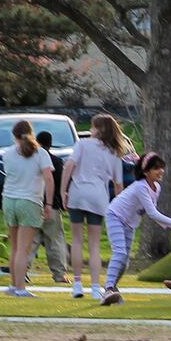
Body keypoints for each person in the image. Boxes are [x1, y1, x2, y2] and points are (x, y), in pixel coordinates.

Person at [101, 152, 171, 306]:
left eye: (161, 168)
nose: (160, 171)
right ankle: (108, 289)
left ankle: (113, 288)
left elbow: (150, 211)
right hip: (115, 216)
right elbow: (153, 213)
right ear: (145, 171)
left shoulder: (156, 187)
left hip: (130, 223)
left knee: (125, 262)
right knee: (119, 253)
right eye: (156, 168)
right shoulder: (141, 186)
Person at [60, 113, 128, 301]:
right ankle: (96, 286)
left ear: (97, 129)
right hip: (99, 197)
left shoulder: (82, 144)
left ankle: (77, 283)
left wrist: (63, 191)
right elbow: (118, 184)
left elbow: (69, 167)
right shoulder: (114, 152)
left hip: (78, 193)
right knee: (95, 244)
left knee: (77, 240)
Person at [0, 119, 53, 298]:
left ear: (14, 135)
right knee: (24, 248)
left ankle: (14, 285)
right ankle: (21, 288)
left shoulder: (7, 154)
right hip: (29, 200)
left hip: (9, 200)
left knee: (15, 247)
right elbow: (49, 179)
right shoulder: (41, 154)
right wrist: (49, 203)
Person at [32, 130, 71, 285]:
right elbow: (61, 183)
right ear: (50, 143)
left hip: (33, 202)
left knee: (31, 240)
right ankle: (59, 273)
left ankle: (23, 270)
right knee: (55, 240)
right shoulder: (56, 161)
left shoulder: (32, 159)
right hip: (52, 205)